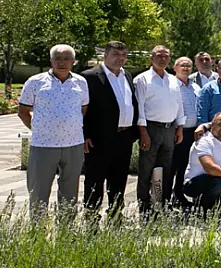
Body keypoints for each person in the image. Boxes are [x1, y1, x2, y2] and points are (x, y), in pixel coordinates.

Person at [17, 44, 89, 214]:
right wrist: (39, 128)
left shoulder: (81, 82)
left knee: (70, 193)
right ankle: (38, 233)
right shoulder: (35, 82)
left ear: (73, 61)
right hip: (44, 145)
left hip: (73, 144)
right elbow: (23, 112)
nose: (61, 62)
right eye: (57, 58)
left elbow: (83, 110)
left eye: (66, 59)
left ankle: (65, 230)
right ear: (51, 61)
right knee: (38, 192)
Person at [80, 40, 138, 213]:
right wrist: (84, 134)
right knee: (95, 179)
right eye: (115, 54)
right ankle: (91, 217)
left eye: (123, 55)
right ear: (105, 56)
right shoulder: (90, 77)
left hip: (124, 136)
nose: (120, 58)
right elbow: (81, 108)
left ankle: (115, 215)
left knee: (119, 179)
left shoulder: (126, 75)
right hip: (99, 138)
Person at [133, 45, 186, 213]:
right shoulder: (142, 79)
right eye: (159, 56)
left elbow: (179, 105)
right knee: (146, 169)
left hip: (170, 128)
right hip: (151, 128)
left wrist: (180, 128)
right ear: (151, 58)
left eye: (166, 56)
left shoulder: (172, 80)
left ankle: (161, 203)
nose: (162, 59)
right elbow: (139, 107)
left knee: (166, 168)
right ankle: (144, 205)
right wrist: (143, 133)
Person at [182, 112, 221, 213]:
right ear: (212, 124)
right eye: (220, 124)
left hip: (218, 180)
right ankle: (202, 210)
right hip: (194, 183)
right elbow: (209, 167)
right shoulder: (204, 140)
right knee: (220, 181)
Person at [170, 56, 201, 206]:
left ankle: (178, 194)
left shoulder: (195, 87)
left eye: (188, 65)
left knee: (184, 165)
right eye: (182, 65)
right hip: (176, 131)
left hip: (192, 132)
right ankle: (164, 196)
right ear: (175, 68)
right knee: (171, 165)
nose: (186, 68)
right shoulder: (170, 85)